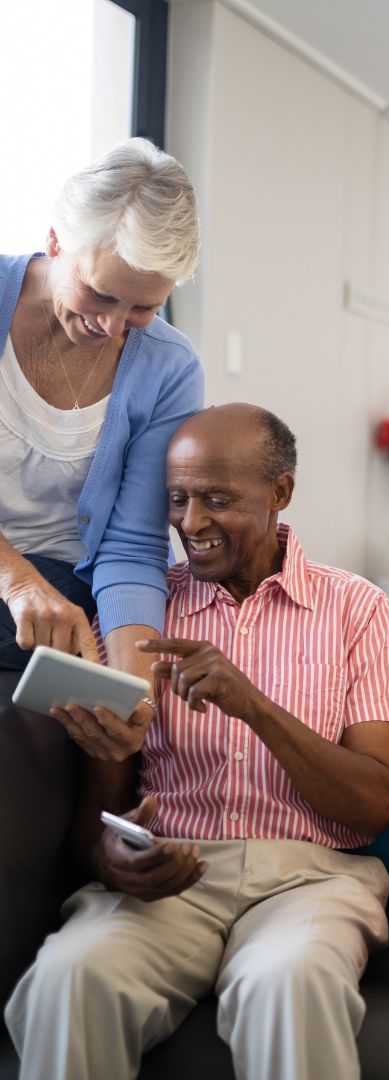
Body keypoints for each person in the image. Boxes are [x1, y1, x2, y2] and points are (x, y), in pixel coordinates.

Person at [4, 404, 389, 1080]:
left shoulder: (355, 607)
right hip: (173, 879)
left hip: (310, 877)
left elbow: (371, 805)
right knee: (68, 978)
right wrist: (108, 854)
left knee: (290, 982)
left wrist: (252, 705)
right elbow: (101, 809)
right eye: (179, 499)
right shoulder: (142, 609)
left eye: (218, 499)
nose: (191, 522)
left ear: (280, 493)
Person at [0, 136, 203, 759]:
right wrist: (16, 579)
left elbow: (132, 545)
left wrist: (132, 691)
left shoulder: (170, 369)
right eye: (101, 294)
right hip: (21, 584)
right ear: (57, 241)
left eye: (144, 305)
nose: (112, 327)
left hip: (64, 594)